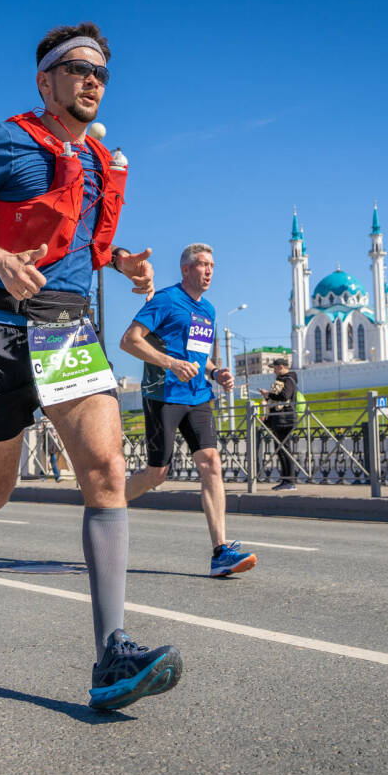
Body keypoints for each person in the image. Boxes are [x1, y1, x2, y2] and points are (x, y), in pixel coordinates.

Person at [0, 22, 180, 712]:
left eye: (100, 73)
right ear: (45, 82)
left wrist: (125, 260)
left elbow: (81, 243)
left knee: (105, 471)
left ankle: (113, 654)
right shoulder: (5, 140)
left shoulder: (104, 161)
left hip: (68, 330)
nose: (91, 81)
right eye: (76, 69)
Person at [120, 243, 257, 578]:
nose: (209, 270)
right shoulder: (166, 300)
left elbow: (199, 354)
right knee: (157, 474)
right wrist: (171, 363)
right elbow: (130, 340)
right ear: (185, 269)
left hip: (197, 395)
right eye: (202, 264)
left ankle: (220, 551)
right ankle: (107, 500)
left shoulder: (208, 309)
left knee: (211, 462)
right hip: (163, 394)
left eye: (212, 265)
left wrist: (215, 372)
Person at [260, 355, 299, 491]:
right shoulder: (282, 380)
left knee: (285, 450)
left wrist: (268, 395)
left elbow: (284, 396)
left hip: (285, 419)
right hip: (279, 419)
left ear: (281, 367)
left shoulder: (289, 380)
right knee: (281, 450)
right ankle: (286, 480)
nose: (273, 371)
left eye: (275, 368)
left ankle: (290, 481)